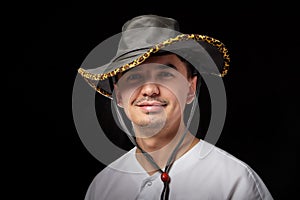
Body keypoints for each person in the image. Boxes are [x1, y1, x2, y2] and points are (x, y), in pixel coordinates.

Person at [77, 14, 273, 200]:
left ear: (190, 89)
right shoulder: (102, 187)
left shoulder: (234, 181)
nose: (150, 89)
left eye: (165, 75)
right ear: (119, 95)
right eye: (134, 76)